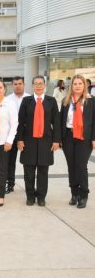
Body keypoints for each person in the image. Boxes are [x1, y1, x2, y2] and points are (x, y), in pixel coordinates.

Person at [17, 76, 61, 206]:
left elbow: (56, 123)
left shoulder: (51, 101)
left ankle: (41, 197)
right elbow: (20, 122)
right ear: (32, 86)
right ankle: (30, 196)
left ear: (44, 85)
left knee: (43, 171)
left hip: (46, 141)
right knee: (28, 171)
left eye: (41, 83)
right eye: (36, 84)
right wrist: (19, 139)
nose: (38, 86)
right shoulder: (26, 101)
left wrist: (56, 140)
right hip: (28, 141)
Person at [60, 75, 95, 209]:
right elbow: (61, 120)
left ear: (84, 85)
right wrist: (59, 139)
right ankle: (74, 194)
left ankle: (84, 194)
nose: (78, 86)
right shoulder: (66, 101)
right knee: (71, 166)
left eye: (80, 83)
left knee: (81, 165)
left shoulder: (91, 101)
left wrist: (93, 138)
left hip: (84, 137)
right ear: (71, 86)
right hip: (68, 136)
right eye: (75, 84)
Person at [5, 77, 30, 193]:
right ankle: (10, 184)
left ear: (24, 84)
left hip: (27, 135)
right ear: (12, 85)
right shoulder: (7, 100)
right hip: (12, 135)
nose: (18, 86)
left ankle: (29, 186)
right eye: (15, 84)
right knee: (10, 161)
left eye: (20, 83)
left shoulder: (30, 98)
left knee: (28, 162)